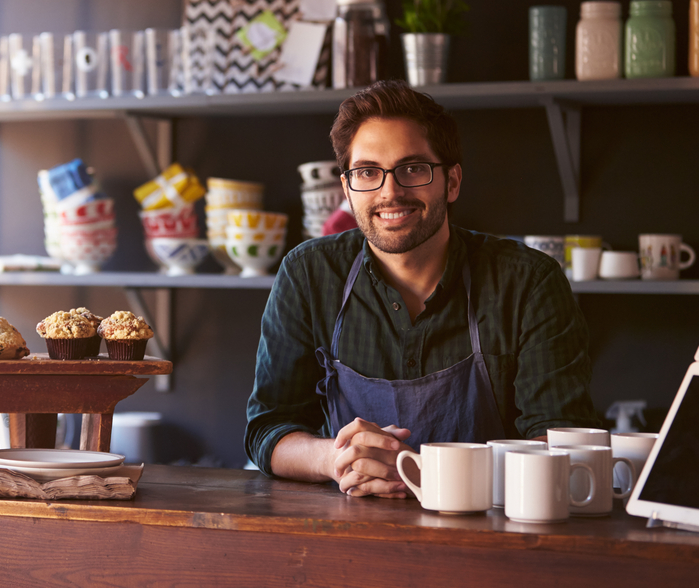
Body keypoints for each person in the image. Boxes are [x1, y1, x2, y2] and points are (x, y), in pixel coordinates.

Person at [245, 79, 599, 498]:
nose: (390, 191)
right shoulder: (308, 274)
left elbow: (562, 441)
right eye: (367, 172)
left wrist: (436, 474)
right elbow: (267, 429)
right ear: (347, 189)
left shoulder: (527, 281)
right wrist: (332, 458)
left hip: (490, 539)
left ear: (451, 182)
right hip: (346, 538)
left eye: (413, 168)